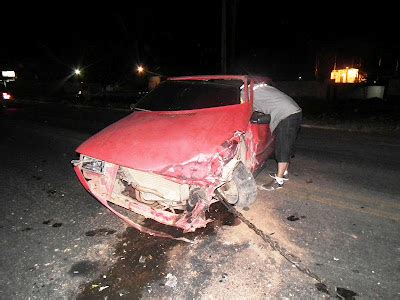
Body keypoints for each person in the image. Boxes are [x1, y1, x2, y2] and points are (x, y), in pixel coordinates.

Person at [252, 82, 302, 191]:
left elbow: (246, 112)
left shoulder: (246, 95)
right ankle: (284, 172)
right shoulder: (258, 88)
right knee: (287, 145)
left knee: (282, 147)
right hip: (294, 111)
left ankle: (278, 181)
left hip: (286, 115)